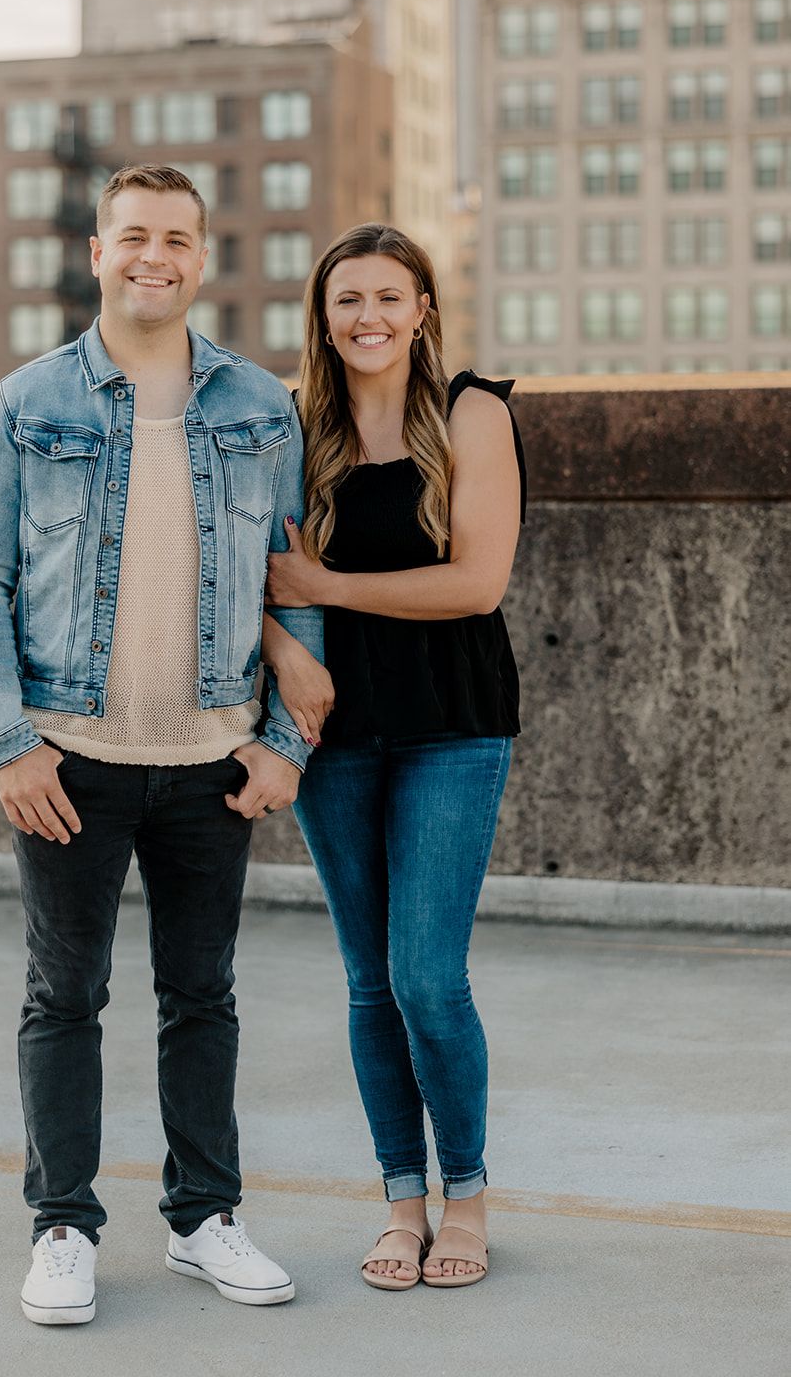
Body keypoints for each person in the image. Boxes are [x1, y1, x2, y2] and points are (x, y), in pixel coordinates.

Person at [0, 164, 321, 1324]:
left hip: (215, 759)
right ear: (99, 251)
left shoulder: (261, 405)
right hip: (69, 758)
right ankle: (61, 1226)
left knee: (200, 996)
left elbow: (291, 582)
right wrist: (8, 743)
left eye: (175, 238)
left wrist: (281, 746)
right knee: (64, 996)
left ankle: (203, 1218)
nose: (152, 255)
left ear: (201, 257)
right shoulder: (27, 402)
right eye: (132, 236)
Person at [262, 222, 525, 1291]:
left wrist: (321, 589)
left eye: (387, 296)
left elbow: (474, 584)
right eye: (344, 301)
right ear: (320, 319)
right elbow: (253, 582)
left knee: (425, 973)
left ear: (421, 307)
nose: (366, 317)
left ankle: (464, 1193)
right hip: (333, 736)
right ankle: (400, 1203)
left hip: (452, 724)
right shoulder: (290, 430)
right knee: (369, 983)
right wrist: (283, 638)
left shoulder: (471, 412)